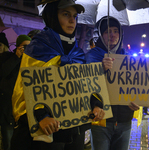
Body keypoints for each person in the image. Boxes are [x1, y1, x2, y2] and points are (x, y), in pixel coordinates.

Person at [11, 1, 104, 150]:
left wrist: (96, 105)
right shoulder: (37, 48)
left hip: (74, 133)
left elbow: (85, 87)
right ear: (53, 16)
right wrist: (41, 116)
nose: (72, 20)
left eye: (74, 16)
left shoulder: (78, 54)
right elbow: (24, 91)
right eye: (65, 14)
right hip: (47, 134)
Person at [86, 16, 140, 150]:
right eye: (107, 31)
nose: (112, 35)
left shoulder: (127, 57)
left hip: (124, 120)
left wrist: (137, 101)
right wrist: (100, 68)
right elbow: (86, 83)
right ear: (100, 35)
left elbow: (135, 86)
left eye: (116, 31)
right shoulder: (92, 56)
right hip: (102, 120)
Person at [0, 34, 31, 150]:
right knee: (8, 143)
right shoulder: (8, 58)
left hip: (23, 112)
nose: (27, 50)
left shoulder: (30, 62)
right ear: (18, 47)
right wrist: (16, 57)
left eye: (29, 47)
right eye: (24, 47)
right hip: (8, 111)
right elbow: (4, 72)